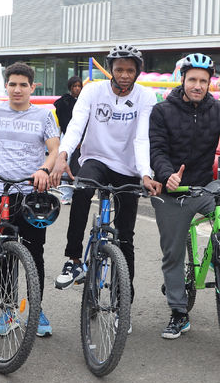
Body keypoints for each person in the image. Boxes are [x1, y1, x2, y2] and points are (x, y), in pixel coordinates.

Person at [145, 53, 220, 339]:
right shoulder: (162, 111)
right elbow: (157, 150)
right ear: (183, 80)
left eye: (203, 81)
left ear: (209, 83)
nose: (198, 86)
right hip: (173, 191)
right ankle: (179, 313)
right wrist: (167, 175)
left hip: (205, 185)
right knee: (173, 255)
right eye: (193, 80)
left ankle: (219, 257)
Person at [52, 48, 156, 305]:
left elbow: (143, 137)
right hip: (96, 158)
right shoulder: (93, 90)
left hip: (129, 166)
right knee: (83, 190)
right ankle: (74, 260)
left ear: (137, 72)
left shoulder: (146, 95)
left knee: (125, 237)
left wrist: (144, 173)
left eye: (130, 70)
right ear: (111, 69)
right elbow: (76, 124)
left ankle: (123, 300)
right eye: (119, 69)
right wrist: (63, 153)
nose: (124, 75)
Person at [0, 62, 60, 337]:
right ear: (6, 86)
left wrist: (44, 169)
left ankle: (36, 308)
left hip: (33, 194)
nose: (17, 89)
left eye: (23, 85)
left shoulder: (44, 115)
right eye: (12, 84)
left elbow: (54, 148)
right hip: (1, 192)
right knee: (3, 253)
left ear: (33, 87)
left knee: (35, 253)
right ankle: (8, 310)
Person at [52, 76, 83, 204]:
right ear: (70, 87)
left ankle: (81, 192)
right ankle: (65, 194)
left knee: (81, 164)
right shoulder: (64, 102)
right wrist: (73, 140)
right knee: (66, 163)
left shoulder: (84, 101)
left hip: (83, 135)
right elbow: (63, 121)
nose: (77, 89)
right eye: (74, 86)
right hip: (68, 134)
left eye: (79, 86)